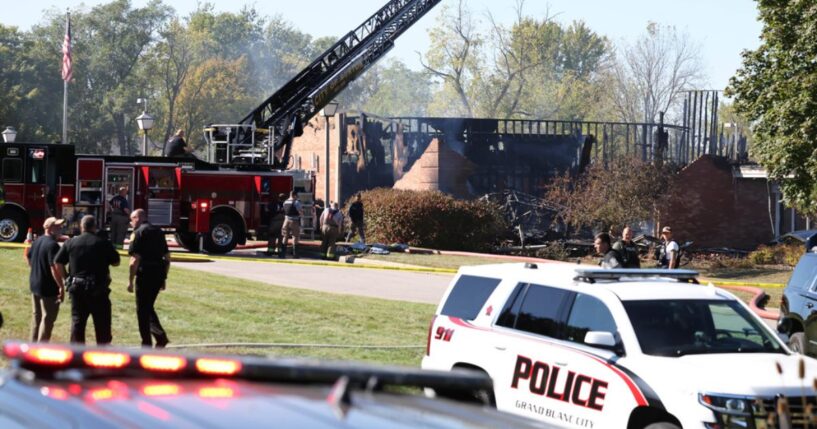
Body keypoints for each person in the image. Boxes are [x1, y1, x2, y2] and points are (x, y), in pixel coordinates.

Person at [53, 215, 120, 345]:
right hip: (98, 289)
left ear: (81, 227)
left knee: (78, 323)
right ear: (95, 227)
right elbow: (116, 262)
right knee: (102, 325)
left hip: (77, 288)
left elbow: (58, 262)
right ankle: (103, 356)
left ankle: (77, 356)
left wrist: (66, 277)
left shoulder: (71, 242)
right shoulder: (103, 243)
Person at [128, 209, 171, 348]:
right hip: (158, 273)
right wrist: (164, 277)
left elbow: (135, 259)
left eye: (132, 219)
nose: (131, 222)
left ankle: (147, 342)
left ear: (138, 218)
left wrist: (130, 281)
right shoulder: (158, 231)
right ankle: (160, 336)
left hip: (145, 274)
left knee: (142, 309)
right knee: (148, 306)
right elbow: (167, 258)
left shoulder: (138, 233)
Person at [26, 217, 65, 342]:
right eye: (57, 226)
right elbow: (55, 268)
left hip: (35, 284)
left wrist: (36, 270)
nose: (60, 228)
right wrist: (61, 286)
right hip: (48, 288)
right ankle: (40, 349)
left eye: (60, 226)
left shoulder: (38, 241)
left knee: (37, 316)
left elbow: (28, 257)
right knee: (48, 318)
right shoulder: (53, 245)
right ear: (49, 228)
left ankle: (32, 345)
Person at [281, 191, 303, 258]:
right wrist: (301, 214)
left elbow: (284, 210)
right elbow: (300, 212)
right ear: (294, 195)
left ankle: (282, 254)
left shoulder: (285, 202)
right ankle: (295, 254)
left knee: (285, 236)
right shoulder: (296, 202)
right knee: (295, 236)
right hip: (294, 221)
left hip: (286, 221)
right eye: (296, 196)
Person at [265, 193, 287, 257]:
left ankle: (270, 251)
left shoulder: (273, 203)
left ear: (278, 198)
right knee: (281, 237)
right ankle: (280, 252)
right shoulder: (286, 204)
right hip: (282, 222)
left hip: (274, 222)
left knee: (272, 237)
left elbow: (267, 210)